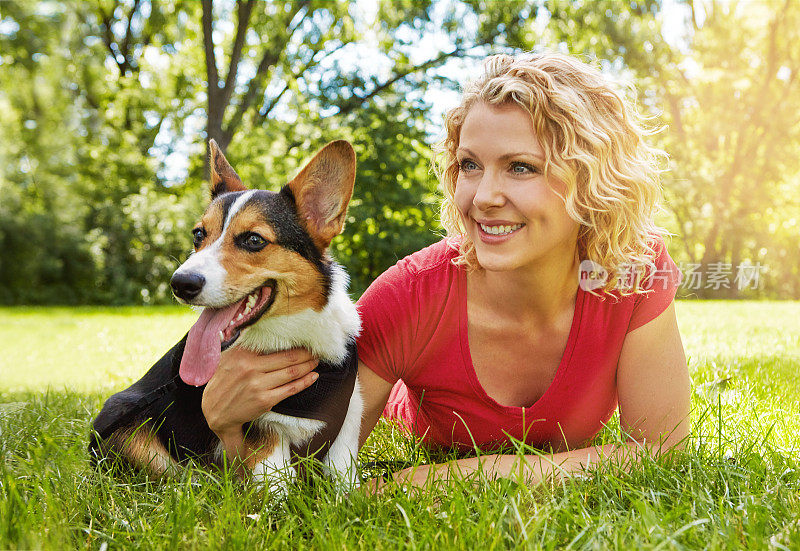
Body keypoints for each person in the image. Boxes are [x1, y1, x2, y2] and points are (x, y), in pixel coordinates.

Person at [201, 52, 690, 490]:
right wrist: (224, 425)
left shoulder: (636, 272)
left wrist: (442, 478)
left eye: (520, 167)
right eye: (470, 165)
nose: (482, 197)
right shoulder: (409, 296)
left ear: (593, 179)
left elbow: (662, 450)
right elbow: (308, 472)